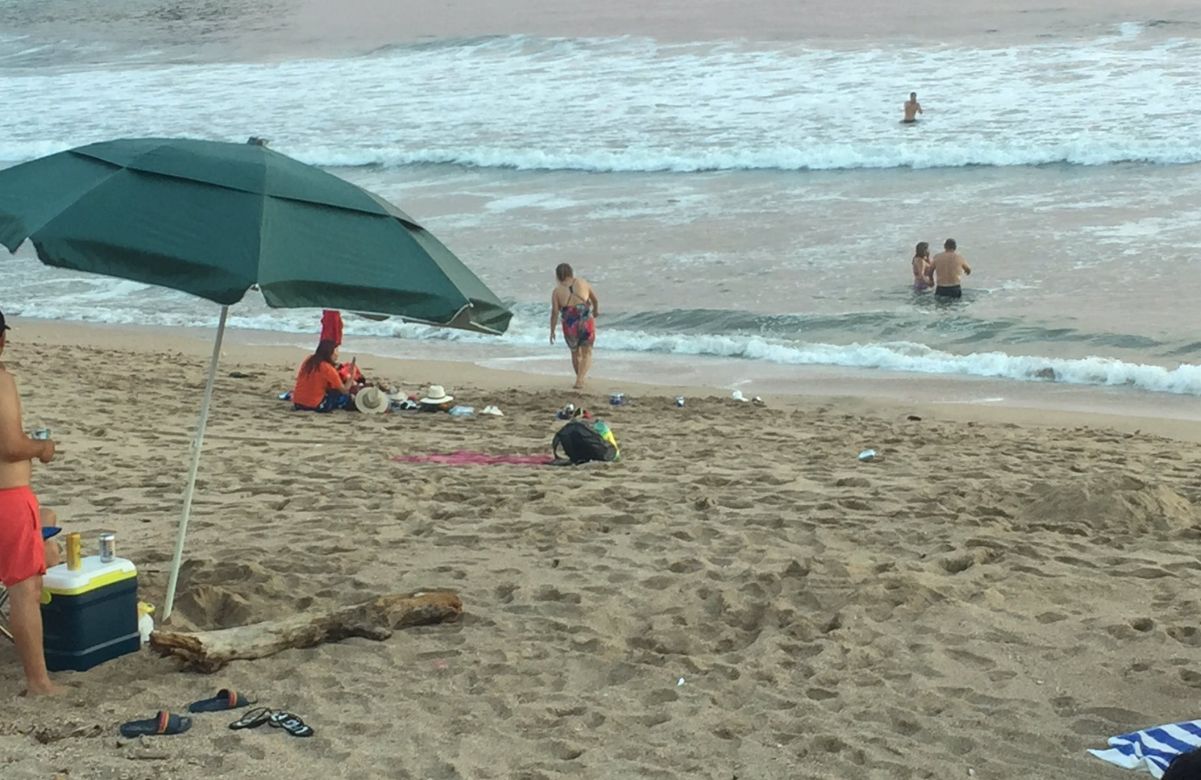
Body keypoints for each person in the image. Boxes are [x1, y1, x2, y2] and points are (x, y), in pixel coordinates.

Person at [0, 309, 61, 696]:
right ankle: (39, 683)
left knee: (48, 529)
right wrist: (42, 448)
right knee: (24, 588)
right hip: (6, 498)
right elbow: (10, 446)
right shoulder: (1, 381)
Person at [549, 263, 599, 390]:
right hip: (585, 319)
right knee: (587, 352)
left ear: (558, 276)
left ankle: (579, 379)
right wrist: (596, 311)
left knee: (575, 352)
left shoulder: (556, 291)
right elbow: (595, 300)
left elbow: (555, 312)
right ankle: (580, 380)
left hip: (569, 323)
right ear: (571, 272)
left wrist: (552, 330)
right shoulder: (582, 283)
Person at [292, 339, 355, 412]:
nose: (337, 355)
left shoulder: (309, 360)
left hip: (297, 403)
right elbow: (344, 390)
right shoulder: (327, 368)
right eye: (335, 352)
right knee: (346, 397)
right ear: (330, 353)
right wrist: (351, 375)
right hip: (314, 405)